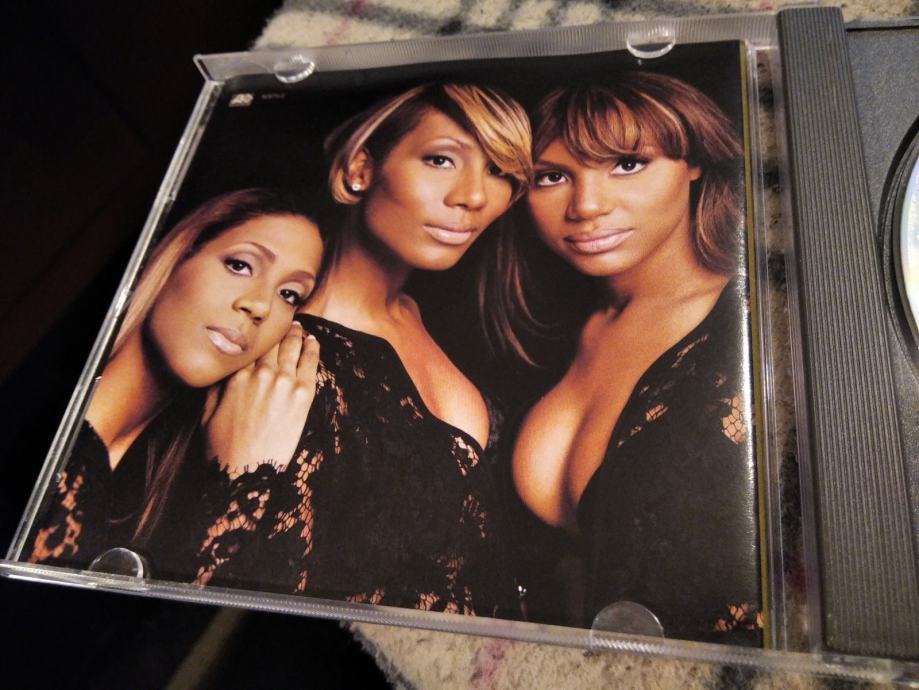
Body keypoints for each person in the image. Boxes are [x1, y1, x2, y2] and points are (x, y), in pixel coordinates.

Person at [191, 83, 533, 617]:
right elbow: (243, 583)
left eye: (499, 171)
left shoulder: (430, 316)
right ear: (360, 170)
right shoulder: (285, 357)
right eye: (441, 160)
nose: (473, 196)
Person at [509, 74, 762, 643]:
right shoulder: (545, 333)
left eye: (627, 164)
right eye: (551, 177)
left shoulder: (757, 324)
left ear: (694, 163)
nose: (587, 206)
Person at [27, 188, 325, 576]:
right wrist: (242, 485)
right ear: (176, 258)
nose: (260, 306)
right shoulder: (40, 432)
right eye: (240, 265)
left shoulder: (147, 484)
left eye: (289, 294)